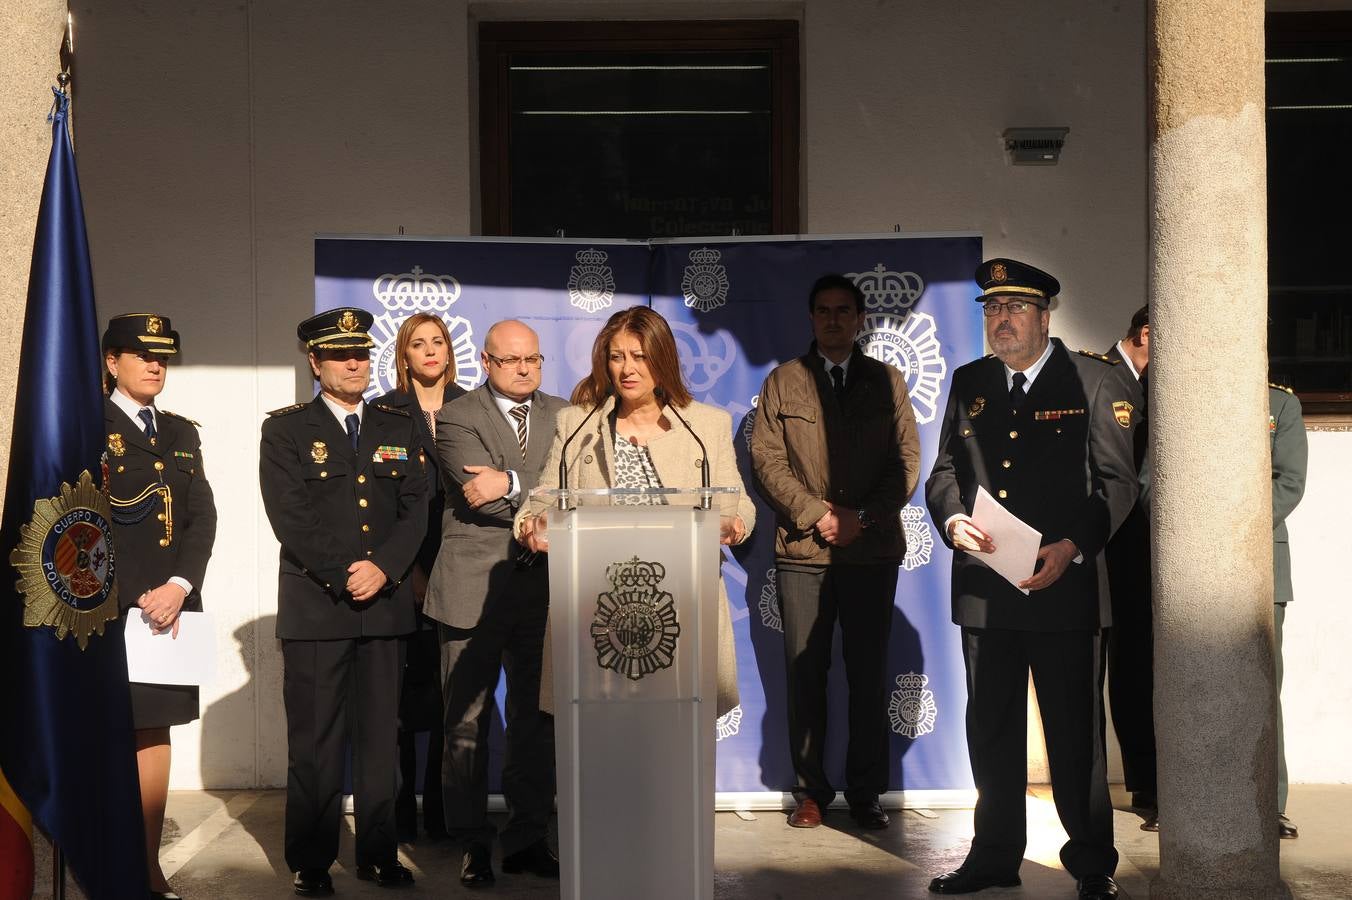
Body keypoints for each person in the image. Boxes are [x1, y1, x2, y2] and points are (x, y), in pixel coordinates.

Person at [924, 259, 1138, 900]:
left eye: (1016, 308)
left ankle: (1092, 859)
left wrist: (1071, 546)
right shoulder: (970, 381)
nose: (1002, 320)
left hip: (1065, 590)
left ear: (1046, 316)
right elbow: (942, 473)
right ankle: (992, 855)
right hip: (987, 590)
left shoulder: (1095, 381)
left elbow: (1118, 483)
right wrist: (954, 518)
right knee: (990, 731)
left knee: (1075, 736)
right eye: (992, 309)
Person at [259, 308, 427, 896]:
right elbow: (290, 516)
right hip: (316, 608)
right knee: (315, 742)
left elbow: (416, 508)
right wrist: (342, 573)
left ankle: (380, 853)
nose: (354, 362)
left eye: (360, 351)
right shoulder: (285, 430)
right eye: (339, 354)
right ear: (315, 362)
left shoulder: (397, 424)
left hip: (384, 607)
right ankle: (311, 858)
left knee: (382, 742)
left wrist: (383, 568)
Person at [515, 305, 754, 715]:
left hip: (681, 608)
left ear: (662, 359)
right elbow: (539, 502)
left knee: (675, 734)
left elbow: (741, 505)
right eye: (617, 356)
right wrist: (531, 525)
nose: (627, 368)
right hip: (595, 611)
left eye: (640, 356)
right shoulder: (576, 424)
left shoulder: (706, 426)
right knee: (602, 736)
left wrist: (735, 524)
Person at [748, 274, 922, 832]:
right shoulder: (784, 381)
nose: (832, 320)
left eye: (843, 311)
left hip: (871, 554)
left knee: (869, 674)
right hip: (803, 552)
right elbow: (767, 461)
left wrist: (862, 518)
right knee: (805, 676)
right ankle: (810, 793)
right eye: (822, 311)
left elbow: (906, 464)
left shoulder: (886, 381)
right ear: (811, 318)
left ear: (860, 318)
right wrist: (816, 514)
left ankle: (867, 792)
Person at [422, 320, 567, 888]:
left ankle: (529, 838)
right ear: (486, 361)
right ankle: (472, 843)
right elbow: (475, 497)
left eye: (532, 358)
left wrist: (509, 481)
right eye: (511, 360)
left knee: (537, 724)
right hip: (471, 592)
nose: (524, 368)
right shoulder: (457, 415)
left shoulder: (567, 415)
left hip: (546, 593)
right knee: (465, 725)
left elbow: (573, 488)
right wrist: (539, 492)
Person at [103, 313, 218, 900]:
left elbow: (201, 518)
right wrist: (117, 597)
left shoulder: (181, 433)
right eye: (142, 354)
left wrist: (179, 585)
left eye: (163, 357)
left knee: (154, 732)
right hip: (101, 610)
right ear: (111, 362)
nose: (155, 365)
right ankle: (102, 862)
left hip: (166, 611)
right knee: (99, 732)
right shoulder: (85, 425)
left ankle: (148, 867)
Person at [375, 313, 467, 843]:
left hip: (459, 563)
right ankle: (399, 812)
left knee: (448, 695)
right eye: (418, 344)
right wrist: (406, 569)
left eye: (438, 342)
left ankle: (440, 810)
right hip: (404, 567)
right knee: (401, 698)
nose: (430, 351)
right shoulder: (384, 411)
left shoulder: (472, 406)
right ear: (404, 356)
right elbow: (381, 505)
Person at [1102, 305, 1156, 829]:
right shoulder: (1104, 377)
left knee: (1138, 665)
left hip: (1141, 550)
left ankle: (1145, 783)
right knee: (1103, 667)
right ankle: (1102, 785)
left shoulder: (1152, 384)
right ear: (1145, 333)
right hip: (1103, 547)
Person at [1269, 381, 1307, 840]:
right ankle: (1169, 798)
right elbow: (1149, 479)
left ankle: (1270, 802)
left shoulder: (1281, 403)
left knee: (1263, 685)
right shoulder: (1185, 394)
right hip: (1188, 566)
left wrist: (1228, 524)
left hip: (1262, 562)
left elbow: (1290, 482)